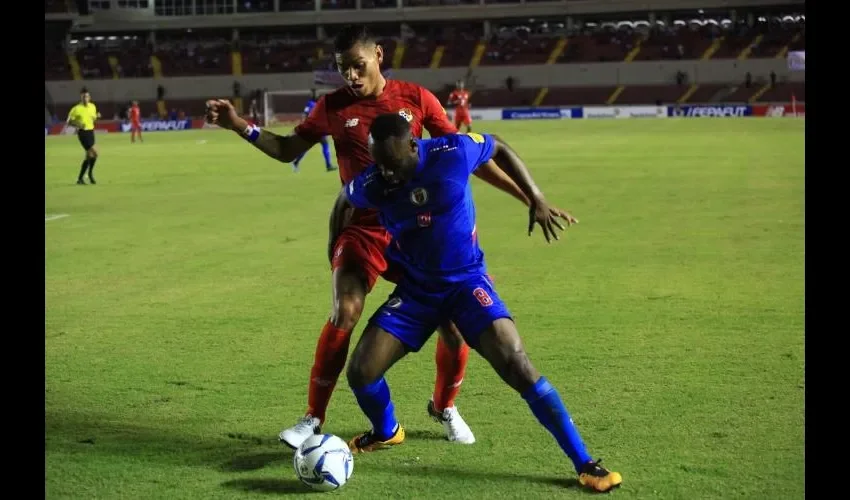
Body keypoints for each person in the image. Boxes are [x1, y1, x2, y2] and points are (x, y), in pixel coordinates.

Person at [204, 24, 574, 450]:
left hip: (414, 231)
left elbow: (464, 156)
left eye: (357, 65)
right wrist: (239, 125)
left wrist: (528, 197)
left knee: (453, 326)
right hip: (363, 227)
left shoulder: (416, 99)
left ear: (378, 55)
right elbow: (288, 150)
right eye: (343, 68)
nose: (351, 76)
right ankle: (313, 418)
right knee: (345, 309)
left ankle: (444, 406)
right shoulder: (332, 106)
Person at [336, 113, 619, 493]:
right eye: (379, 164)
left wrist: (536, 197)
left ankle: (585, 463)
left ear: (413, 146)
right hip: (416, 291)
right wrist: (335, 248)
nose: (386, 173)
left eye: (392, 163)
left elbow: (498, 145)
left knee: (517, 364)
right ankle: (387, 431)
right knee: (361, 372)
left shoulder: (453, 151)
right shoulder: (374, 181)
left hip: (467, 284)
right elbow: (344, 200)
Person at [292, 89, 336, 173]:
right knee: (324, 145)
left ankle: (296, 162)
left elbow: (305, 116)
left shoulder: (309, 104)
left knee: (320, 145)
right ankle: (328, 165)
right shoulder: (316, 105)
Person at [66, 89, 101, 185]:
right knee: (95, 152)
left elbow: (93, 118)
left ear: (89, 98)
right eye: (83, 97)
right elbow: (69, 122)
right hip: (83, 133)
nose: (85, 98)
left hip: (91, 132)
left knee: (90, 156)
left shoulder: (92, 106)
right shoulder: (76, 109)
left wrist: (97, 116)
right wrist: (78, 124)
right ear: (81, 98)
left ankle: (80, 178)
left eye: (87, 96)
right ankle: (89, 174)